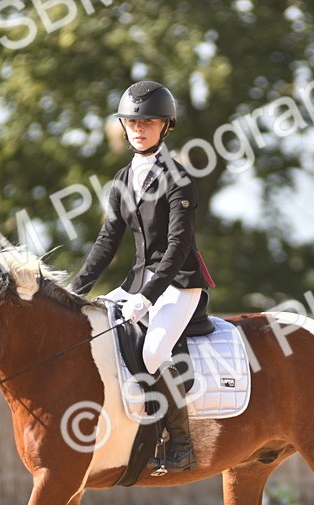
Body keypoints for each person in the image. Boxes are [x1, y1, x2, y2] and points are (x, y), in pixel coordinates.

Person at [69, 80, 215, 474]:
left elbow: (178, 246)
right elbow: (106, 241)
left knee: (153, 352)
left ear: (166, 126)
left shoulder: (179, 179)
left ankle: (181, 446)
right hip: (137, 282)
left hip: (179, 283)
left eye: (148, 121)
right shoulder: (121, 179)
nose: (138, 128)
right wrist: (72, 291)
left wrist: (149, 296)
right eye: (131, 121)